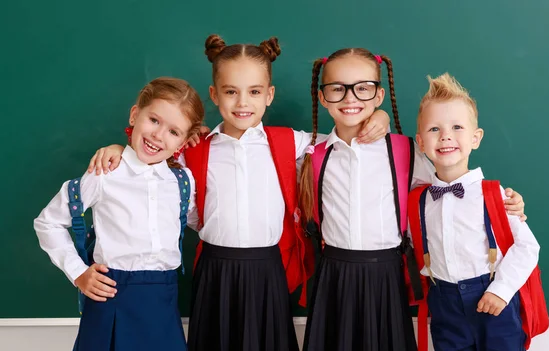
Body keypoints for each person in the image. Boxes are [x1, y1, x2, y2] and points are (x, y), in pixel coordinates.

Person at [86, 35, 391, 351]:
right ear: (214, 95)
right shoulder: (194, 148)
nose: (243, 102)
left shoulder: (293, 142)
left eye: (254, 92)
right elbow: (147, 157)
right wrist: (116, 148)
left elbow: (343, 140)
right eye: (231, 92)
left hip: (268, 267)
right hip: (215, 268)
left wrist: (378, 117)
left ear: (269, 95)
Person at [297, 50, 526, 351]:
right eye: (337, 88)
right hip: (334, 276)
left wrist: (503, 204)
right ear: (323, 97)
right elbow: (257, 138)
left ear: (379, 95)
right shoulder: (308, 149)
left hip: (388, 275)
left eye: (362, 88)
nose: (350, 97)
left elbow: (447, 188)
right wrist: (209, 130)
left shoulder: (406, 151)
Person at [33, 77, 204, 351]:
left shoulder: (183, 181)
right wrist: (78, 273)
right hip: (111, 299)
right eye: (154, 120)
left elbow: (201, 222)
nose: (159, 135)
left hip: (163, 303)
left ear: (184, 141)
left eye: (174, 132)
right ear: (135, 115)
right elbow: (47, 222)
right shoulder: (104, 172)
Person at [410, 73, 540, 351]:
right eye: (434, 129)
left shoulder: (494, 194)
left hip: (492, 298)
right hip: (443, 302)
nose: (445, 136)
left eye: (457, 127)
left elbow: (527, 246)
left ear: (476, 138)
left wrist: (501, 291)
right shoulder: (418, 199)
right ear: (421, 143)